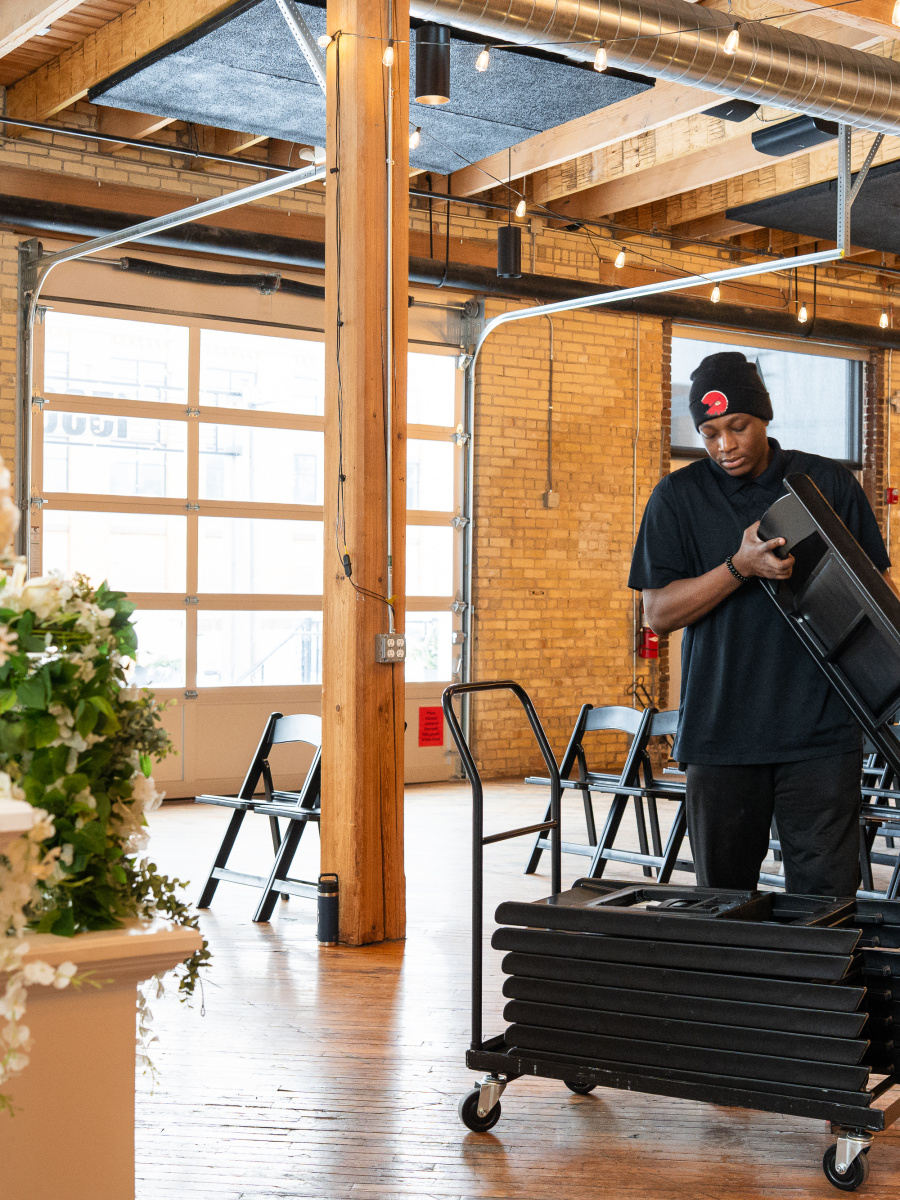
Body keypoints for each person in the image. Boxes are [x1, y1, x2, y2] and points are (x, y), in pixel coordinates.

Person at [628, 350, 895, 897]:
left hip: (820, 735)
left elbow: (880, 595)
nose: (725, 445)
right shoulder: (677, 498)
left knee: (825, 905)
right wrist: (739, 567)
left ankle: (819, 986)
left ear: (764, 418)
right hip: (721, 733)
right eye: (709, 433)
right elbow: (658, 613)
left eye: (737, 427)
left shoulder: (825, 483)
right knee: (724, 902)